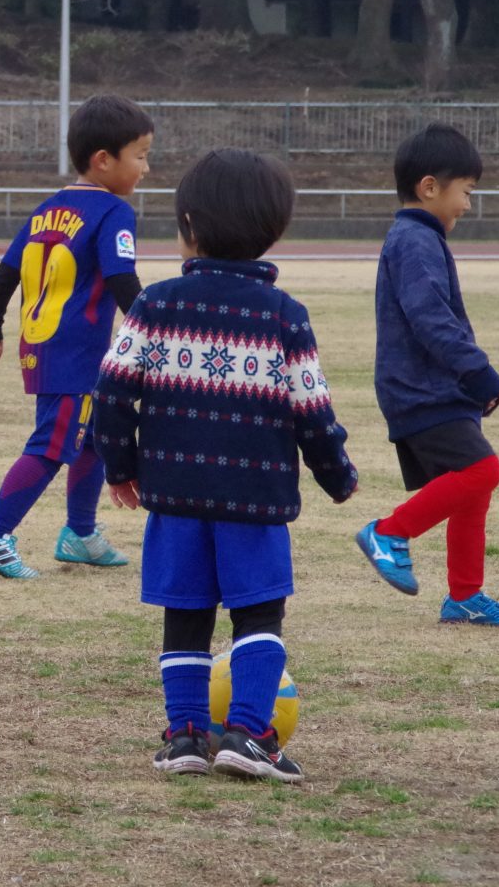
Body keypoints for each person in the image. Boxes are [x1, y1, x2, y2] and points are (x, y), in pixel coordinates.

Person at [92, 148, 358, 782]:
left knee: (184, 613)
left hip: (175, 493)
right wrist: (336, 474)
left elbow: (112, 391)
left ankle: (184, 737)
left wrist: (119, 465)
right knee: (259, 612)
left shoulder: (154, 305)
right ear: (277, 228)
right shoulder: (285, 316)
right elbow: (311, 410)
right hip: (256, 500)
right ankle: (248, 734)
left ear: (188, 224)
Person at [0, 95, 153, 579]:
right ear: (104, 160)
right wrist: (158, 331)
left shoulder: (47, 209)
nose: (146, 169)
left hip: (42, 345)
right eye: (141, 155)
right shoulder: (113, 212)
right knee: (52, 445)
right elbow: (122, 281)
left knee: (89, 437)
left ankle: (80, 533)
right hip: (77, 351)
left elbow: (7, 272)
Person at [354, 125, 499, 627]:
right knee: (482, 471)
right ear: (430, 187)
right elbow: (430, 318)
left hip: (437, 389)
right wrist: (479, 374)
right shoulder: (414, 241)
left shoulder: (418, 237)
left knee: (474, 484)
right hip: (420, 391)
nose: (468, 206)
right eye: (466, 192)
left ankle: (465, 596)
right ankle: (389, 531)